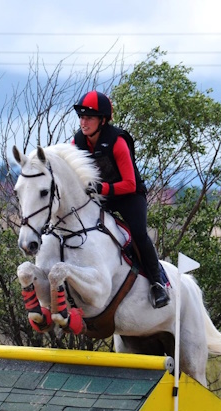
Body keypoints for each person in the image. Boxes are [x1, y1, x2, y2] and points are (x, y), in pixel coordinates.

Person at [72, 90, 170, 309]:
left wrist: (102, 187)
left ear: (103, 120)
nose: (83, 121)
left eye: (89, 117)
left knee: (138, 233)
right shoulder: (77, 142)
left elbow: (130, 184)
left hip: (129, 196)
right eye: (81, 116)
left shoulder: (117, 141)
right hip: (102, 197)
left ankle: (157, 283)